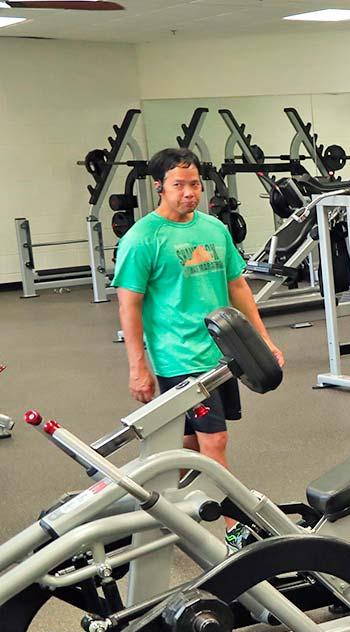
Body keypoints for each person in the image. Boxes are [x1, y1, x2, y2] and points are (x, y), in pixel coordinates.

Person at [115, 148, 283, 546]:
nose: (190, 192)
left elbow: (238, 287)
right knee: (215, 441)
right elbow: (129, 305)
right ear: (159, 187)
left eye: (195, 184)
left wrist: (264, 341)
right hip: (179, 357)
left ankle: (138, 510)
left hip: (223, 354)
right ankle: (236, 527)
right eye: (179, 185)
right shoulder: (143, 239)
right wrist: (138, 366)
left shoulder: (213, 229)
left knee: (186, 445)